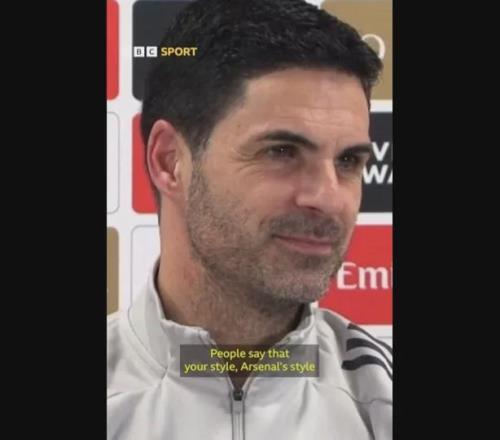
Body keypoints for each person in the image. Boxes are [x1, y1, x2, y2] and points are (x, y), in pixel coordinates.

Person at [107, 0, 392, 438]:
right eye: (281, 152)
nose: (329, 197)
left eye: (349, 161)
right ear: (170, 161)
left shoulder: (381, 396)